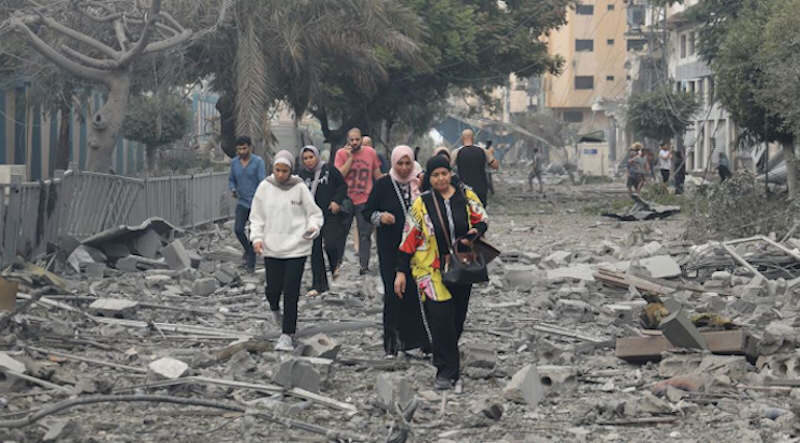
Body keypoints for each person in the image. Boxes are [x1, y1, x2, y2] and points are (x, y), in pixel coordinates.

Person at [394, 155, 489, 391]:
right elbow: (409, 238)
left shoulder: (466, 196)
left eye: (444, 174)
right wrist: (401, 271)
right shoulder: (421, 204)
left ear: (451, 173)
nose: (440, 179)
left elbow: (482, 219)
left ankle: (448, 358)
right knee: (440, 317)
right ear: (429, 178)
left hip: (461, 266)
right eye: (435, 175)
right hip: (430, 269)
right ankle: (446, 372)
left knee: (457, 319)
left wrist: (472, 234)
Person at [249, 150, 324, 351]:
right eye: (278, 170)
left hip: (296, 248)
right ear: (273, 169)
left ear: (291, 170)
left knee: (291, 291)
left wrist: (313, 228)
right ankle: (274, 308)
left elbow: (315, 214)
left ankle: (287, 334)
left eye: (285, 171)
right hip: (272, 247)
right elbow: (256, 217)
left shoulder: (299, 188)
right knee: (273, 289)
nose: (281, 175)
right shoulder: (265, 187)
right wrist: (256, 238)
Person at [364, 145, 430, 358]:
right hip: (390, 249)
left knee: (416, 293)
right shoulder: (383, 184)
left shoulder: (419, 185)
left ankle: (417, 341)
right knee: (394, 294)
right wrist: (380, 217)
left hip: (418, 250)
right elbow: (367, 211)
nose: (403, 168)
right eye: (399, 163)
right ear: (393, 163)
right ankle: (392, 344)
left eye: (407, 163)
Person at [298, 146, 348, 296]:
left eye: (311, 157)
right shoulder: (301, 175)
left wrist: (336, 201)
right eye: (305, 158)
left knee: (331, 244)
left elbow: (342, 186)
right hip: (311, 218)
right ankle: (319, 285)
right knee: (315, 251)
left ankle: (335, 265)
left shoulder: (329, 170)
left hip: (329, 214)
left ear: (317, 157)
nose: (309, 161)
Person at [335, 128, 384, 275]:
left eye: (357, 139)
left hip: (365, 198)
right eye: (352, 140)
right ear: (347, 140)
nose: (355, 142)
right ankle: (336, 264)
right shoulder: (340, 154)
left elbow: (377, 175)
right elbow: (339, 176)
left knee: (365, 234)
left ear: (361, 139)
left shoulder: (370, 153)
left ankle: (364, 265)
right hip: (346, 198)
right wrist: (349, 158)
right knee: (341, 232)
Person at [228, 136, 266, 273]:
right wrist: (233, 189)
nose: (241, 151)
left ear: (250, 147)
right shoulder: (234, 163)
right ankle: (249, 251)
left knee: (253, 233)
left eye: (244, 148)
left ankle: (251, 265)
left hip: (256, 203)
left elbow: (262, 182)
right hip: (242, 202)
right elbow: (231, 179)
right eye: (239, 149)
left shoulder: (258, 162)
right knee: (238, 229)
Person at [453, 129, 498, 207]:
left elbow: (448, 168)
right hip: (481, 190)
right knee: (480, 214)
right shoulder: (483, 151)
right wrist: (490, 153)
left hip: (464, 190)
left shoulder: (456, 152)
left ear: (462, 138)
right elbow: (495, 166)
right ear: (473, 138)